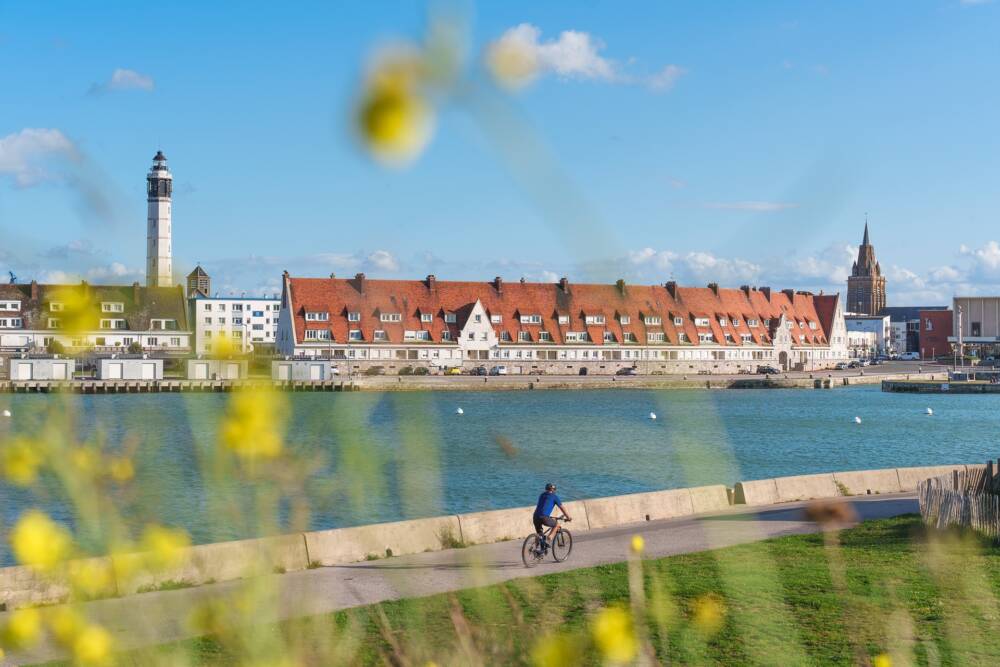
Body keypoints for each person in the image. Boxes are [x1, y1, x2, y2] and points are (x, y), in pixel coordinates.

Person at [533, 482, 570, 548]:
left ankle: (537, 550)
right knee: (557, 525)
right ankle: (549, 539)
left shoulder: (542, 495)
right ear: (553, 490)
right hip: (544, 517)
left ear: (546, 489)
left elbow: (543, 507)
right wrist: (568, 517)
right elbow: (562, 508)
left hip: (535, 517)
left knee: (539, 534)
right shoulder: (554, 497)